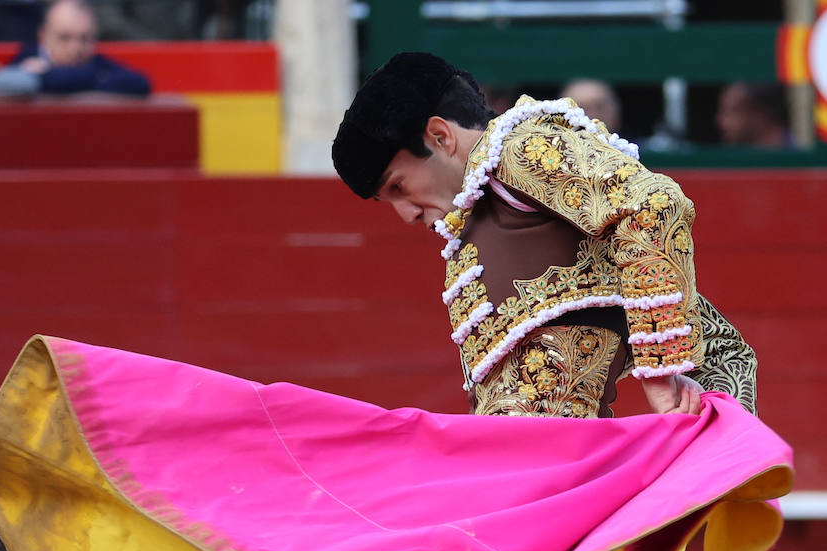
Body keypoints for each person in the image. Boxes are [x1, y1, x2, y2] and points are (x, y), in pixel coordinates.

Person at [331, 52, 757, 420]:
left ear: (440, 137)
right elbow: (719, 343)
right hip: (530, 466)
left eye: (398, 187)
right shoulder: (489, 206)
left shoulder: (519, 149)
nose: (405, 214)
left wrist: (661, 369)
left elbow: (654, 203)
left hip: (553, 469)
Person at [12, 0, 151, 97]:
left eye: (84, 38)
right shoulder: (25, 59)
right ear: (43, 36)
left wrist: (47, 76)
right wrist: (96, 78)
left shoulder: (99, 64)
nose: (75, 48)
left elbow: (140, 84)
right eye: (64, 38)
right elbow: (9, 85)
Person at [715, 81, 798, 149]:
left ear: (760, 113)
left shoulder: (801, 161)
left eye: (732, 111)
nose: (720, 121)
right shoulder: (738, 162)